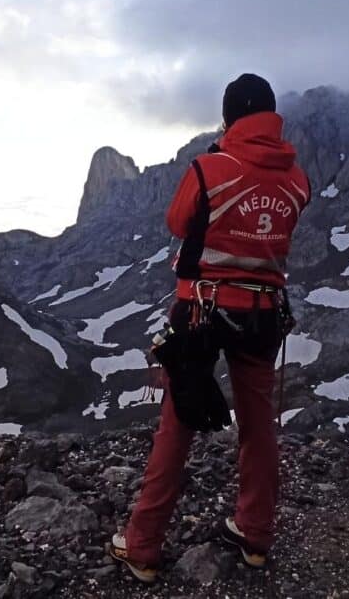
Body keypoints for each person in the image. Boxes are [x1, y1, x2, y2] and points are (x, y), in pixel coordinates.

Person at [110, 73, 311, 583]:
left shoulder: (209, 168)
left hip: (201, 311)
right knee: (258, 422)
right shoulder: (297, 181)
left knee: (178, 421)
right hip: (264, 314)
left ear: (228, 118)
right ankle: (255, 536)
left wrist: (220, 157)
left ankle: (143, 545)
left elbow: (179, 223)